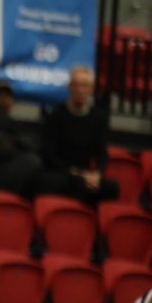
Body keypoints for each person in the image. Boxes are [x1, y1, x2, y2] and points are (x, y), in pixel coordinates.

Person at [36, 66, 120, 205]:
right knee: (78, 183)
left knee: (111, 187)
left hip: (87, 173)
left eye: (85, 86)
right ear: (69, 87)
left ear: (91, 89)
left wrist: (97, 174)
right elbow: (49, 155)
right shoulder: (56, 116)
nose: (80, 90)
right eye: (76, 85)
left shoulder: (98, 118)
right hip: (62, 172)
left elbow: (102, 153)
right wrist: (77, 173)